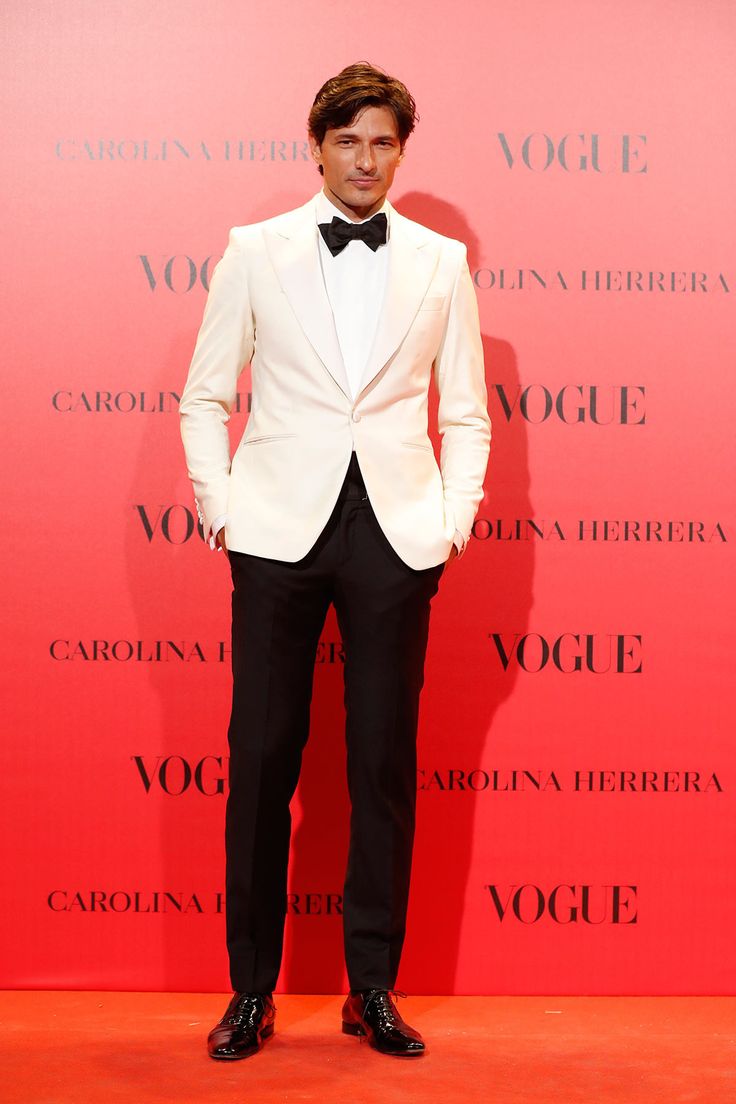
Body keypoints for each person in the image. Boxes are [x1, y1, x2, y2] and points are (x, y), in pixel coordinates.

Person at [179, 61, 491, 1061]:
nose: (366, 160)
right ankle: (250, 992)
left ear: (402, 150)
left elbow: (463, 412)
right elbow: (204, 396)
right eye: (349, 142)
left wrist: (447, 524)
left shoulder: (441, 263)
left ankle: (371, 987)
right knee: (264, 760)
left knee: (381, 765)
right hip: (275, 529)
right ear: (316, 148)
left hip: (394, 536)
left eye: (384, 143)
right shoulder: (254, 251)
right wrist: (224, 511)